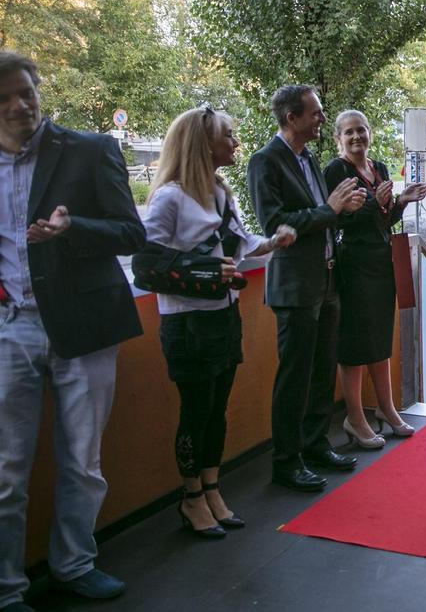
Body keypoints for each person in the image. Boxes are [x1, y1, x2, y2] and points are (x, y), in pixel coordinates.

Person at [0, 51, 145, 609]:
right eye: (4, 98)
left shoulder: (90, 149)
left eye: (26, 91)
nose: (20, 105)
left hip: (84, 325)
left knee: (82, 461)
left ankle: (74, 565)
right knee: (6, 470)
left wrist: (73, 228)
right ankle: (7, 589)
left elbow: (131, 233)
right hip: (11, 329)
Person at [144, 107, 297, 538]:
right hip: (187, 323)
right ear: (202, 143)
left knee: (217, 411)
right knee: (196, 412)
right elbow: (148, 262)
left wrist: (274, 241)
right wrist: (206, 271)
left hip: (222, 315)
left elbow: (241, 244)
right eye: (227, 135)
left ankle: (211, 488)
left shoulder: (219, 192)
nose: (235, 142)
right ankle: (191, 496)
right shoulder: (170, 197)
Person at [248, 84, 366, 492]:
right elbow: (274, 223)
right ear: (291, 118)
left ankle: (315, 446)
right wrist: (329, 209)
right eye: (315, 113)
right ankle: (286, 462)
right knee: (294, 378)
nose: (321, 118)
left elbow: (322, 216)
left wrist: (342, 211)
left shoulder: (309, 158)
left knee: (322, 371)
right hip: (295, 285)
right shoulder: (264, 161)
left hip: (327, 278)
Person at [324, 110, 426, 449]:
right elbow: (337, 221)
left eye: (361, 130)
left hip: (381, 262)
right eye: (349, 132)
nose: (357, 137)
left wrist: (401, 202)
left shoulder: (379, 167)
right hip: (353, 266)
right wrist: (375, 204)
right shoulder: (336, 171)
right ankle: (355, 418)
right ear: (338, 138)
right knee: (355, 343)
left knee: (381, 338)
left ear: (369, 133)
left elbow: (381, 221)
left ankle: (387, 409)